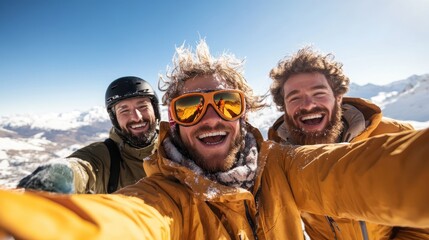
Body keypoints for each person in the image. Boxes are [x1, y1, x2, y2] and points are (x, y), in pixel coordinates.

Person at [1, 40, 429, 240]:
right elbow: (134, 218)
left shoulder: (280, 166)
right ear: (175, 119)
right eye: (190, 107)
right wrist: (35, 221)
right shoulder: (168, 192)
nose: (210, 116)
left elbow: (361, 172)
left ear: (244, 112)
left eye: (225, 101)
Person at [268, 46, 429, 239]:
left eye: (319, 93)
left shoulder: (393, 135)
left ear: (338, 97)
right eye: (294, 97)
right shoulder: (277, 163)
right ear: (283, 107)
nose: (308, 105)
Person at [16, 76, 160, 194]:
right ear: (114, 118)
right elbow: (80, 167)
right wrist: (54, 178)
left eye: (142, 106)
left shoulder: (175, 145)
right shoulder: (105, 156)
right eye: (124, 110)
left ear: (155, 110)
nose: (136, 117)